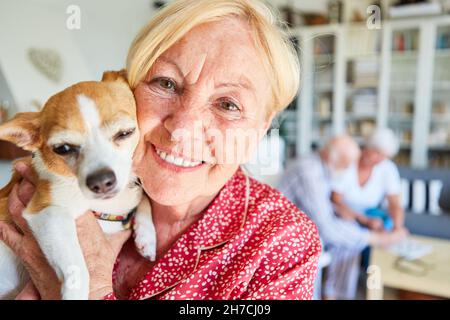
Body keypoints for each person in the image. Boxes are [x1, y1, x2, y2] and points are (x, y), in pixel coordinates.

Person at [0, 0, 322, 300]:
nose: (182, 128)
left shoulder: (280, 244)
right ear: (128, 86)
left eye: (228, 104)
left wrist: (92, 286)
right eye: (166, 84)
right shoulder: (53, 185)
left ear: (261, 127)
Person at [278, 135, 407, 299]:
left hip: (306, 225)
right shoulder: (309, 171)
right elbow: (327, 227)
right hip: (286, 233)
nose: (347, 170)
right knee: (338, 238)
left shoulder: (323, 166)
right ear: (332, 157)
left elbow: (326, 208)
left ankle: (337, 294)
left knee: (349, 238)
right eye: (346, 165)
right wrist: (375, 238)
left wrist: (360, 221)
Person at [325, 128, 408, 299]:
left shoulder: (387, 168)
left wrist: (397, 227)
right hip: (344, 212)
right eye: (377, 153)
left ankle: (370, 287)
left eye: (384, 155)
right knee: (349, 241)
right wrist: (363, 219)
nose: (380, 159)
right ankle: (335, 291)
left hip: (370, 215)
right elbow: (336, 200)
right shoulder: (348, 162)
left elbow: (395, 204)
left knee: (387, 234)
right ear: (368, 147)